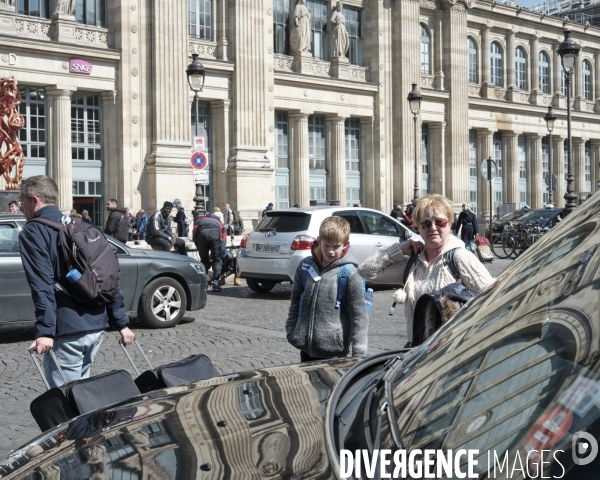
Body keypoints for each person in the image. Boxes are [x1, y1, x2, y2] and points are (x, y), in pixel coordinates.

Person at [18, 176, 134, 388]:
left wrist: (45, 331)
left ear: (34, 200)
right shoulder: (80, 225)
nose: (20, 207)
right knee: (82, 394)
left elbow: (42, 284)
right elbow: (107, 274)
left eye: (21, 201)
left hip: (69, 330)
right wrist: (121, 323)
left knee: (68, 402)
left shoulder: (34, 231)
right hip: (96, 327)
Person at [357, 194, 492, 348]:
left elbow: (495, 296)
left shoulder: (460, 258)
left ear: (450, 224)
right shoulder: (413, 264)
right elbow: (366, 271)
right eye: (426, 223)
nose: (433, 228)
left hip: (450, 352)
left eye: (440, 222)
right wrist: (399, 249)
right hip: (415, 351)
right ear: (418, 227)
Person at [286, 216, 369, 362]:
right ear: (319, 241)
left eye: (336, 246)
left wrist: (359, 353)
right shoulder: (305, 266)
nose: (330, 251)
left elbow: (359, 316)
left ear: (345, 245)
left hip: (334, 353)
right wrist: (292, 330)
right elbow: (295, 300)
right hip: (305, 348)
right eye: (326, 245)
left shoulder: (350, 273)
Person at [193, 211, 226, 292]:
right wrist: (219, 252)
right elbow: (223, 239)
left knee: (204, 260)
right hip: (215, 235)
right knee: (217, 260)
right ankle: (215, 283)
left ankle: (204, 284)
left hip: (202, 234)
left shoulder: (200, 220)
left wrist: (199, 247)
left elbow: (194, 234)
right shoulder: (219, 222)